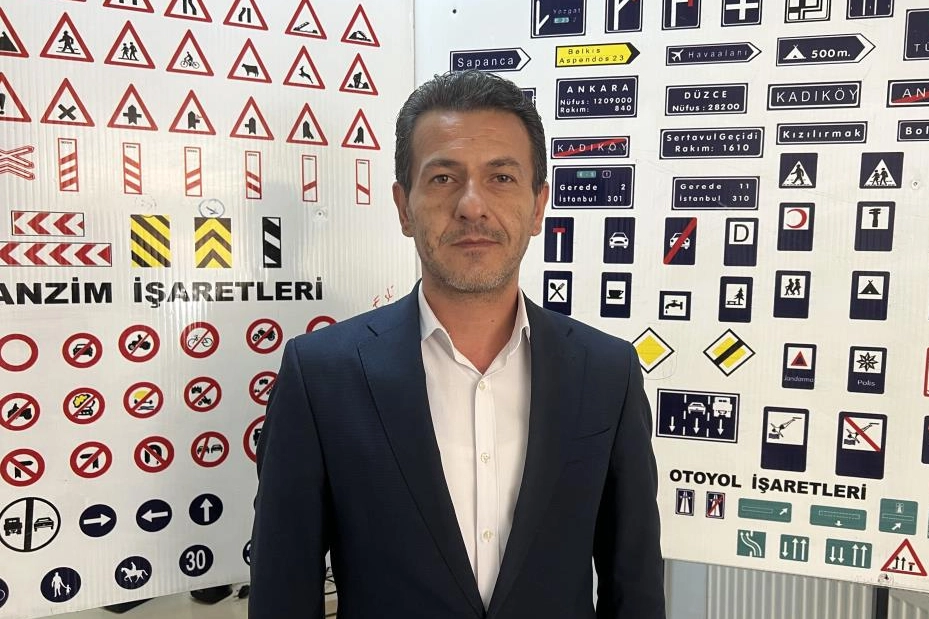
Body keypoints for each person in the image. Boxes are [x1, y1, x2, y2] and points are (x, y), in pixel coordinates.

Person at [249, 69, 665, 619]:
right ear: (404, 207)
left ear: (539, 205)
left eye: (502, 177)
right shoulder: (321, 376)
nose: (472, 206)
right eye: (444, 178)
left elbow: (634, 586)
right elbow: (282, 592)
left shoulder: (607, 372)